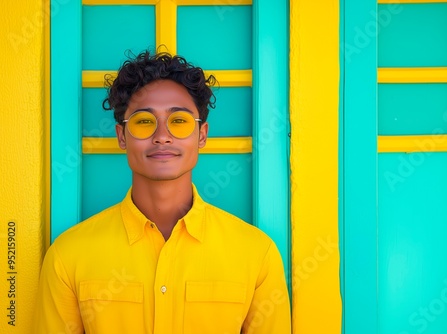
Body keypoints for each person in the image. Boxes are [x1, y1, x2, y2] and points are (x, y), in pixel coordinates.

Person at [34, 50, 291, 333]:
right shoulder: (68, 255)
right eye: (144, 121)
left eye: (179, 121)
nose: (162, 135)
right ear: (122, 136)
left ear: (202, 135)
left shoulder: (256, 254)